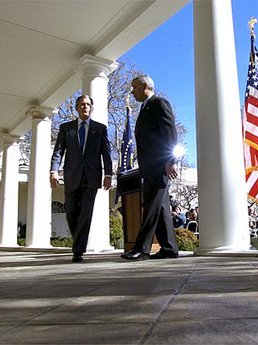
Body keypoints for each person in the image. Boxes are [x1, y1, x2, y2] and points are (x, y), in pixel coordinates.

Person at [121, 75, 179, 261]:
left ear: (145, 86)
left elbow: (169, 133)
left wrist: (170, 160)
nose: (132, 91)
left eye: (134, 87)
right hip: (150, 166)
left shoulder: (159, 103)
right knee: (160, 208)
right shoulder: (145, 108)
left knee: (150, 207)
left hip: (159, 165)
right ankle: (169, 248)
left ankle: (142, 249)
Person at [50, 95, 113, 263]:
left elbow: (106, 153)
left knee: (86, 213)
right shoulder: (66, 128)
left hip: (91, 177)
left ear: (91, 108)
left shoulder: (100, 129)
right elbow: (58, 152)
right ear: (77, 108)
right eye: (82, 104)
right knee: (70, 211)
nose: (85, 107)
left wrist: (108, 175)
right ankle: (78, 244)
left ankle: (78, 250)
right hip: (71, 176)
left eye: (88, 104)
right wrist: (53, 171)